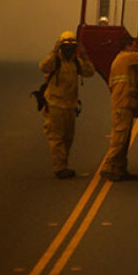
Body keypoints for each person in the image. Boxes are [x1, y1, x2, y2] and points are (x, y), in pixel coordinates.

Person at [39, 30, 95, 179]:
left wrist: (84, 55)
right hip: (55, 106)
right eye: (66, 45)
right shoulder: (55, 61)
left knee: (68, 138)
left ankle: (64, 164)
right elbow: (43, 67)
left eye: (72, 45)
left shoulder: (75, 62)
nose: (69, 49)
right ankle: (60, 167)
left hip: (70, 107)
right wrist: (54, 51)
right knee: (56, 138)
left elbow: (90, 72)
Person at [98, 36, 138, 181]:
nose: (135, 48)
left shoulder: (122, 62)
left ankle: (120, 169)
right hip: (123, 104)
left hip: (124, 103)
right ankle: (108, 167)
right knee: (119, 138)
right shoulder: (125, 58)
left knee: (125, 138)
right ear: (127, 46)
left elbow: (127, 82)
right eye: (134, 46)